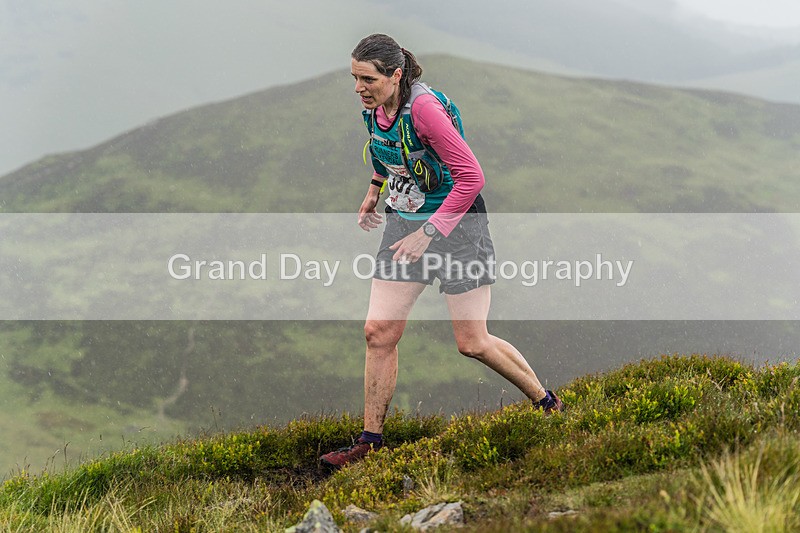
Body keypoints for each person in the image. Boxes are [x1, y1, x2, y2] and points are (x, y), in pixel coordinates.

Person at [320, 34, 563, 470]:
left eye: (367, 78)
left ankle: (548, 404)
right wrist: (375, 190)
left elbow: (471, 177)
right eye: (354, 77)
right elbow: (383, 150)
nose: (358, 87)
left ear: (396, 75)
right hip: (403, 224)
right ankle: (370, 442)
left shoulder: (426, 111)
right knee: (378, 332)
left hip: (457, 228)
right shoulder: (375, 106)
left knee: (472, 342)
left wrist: (429, 231)